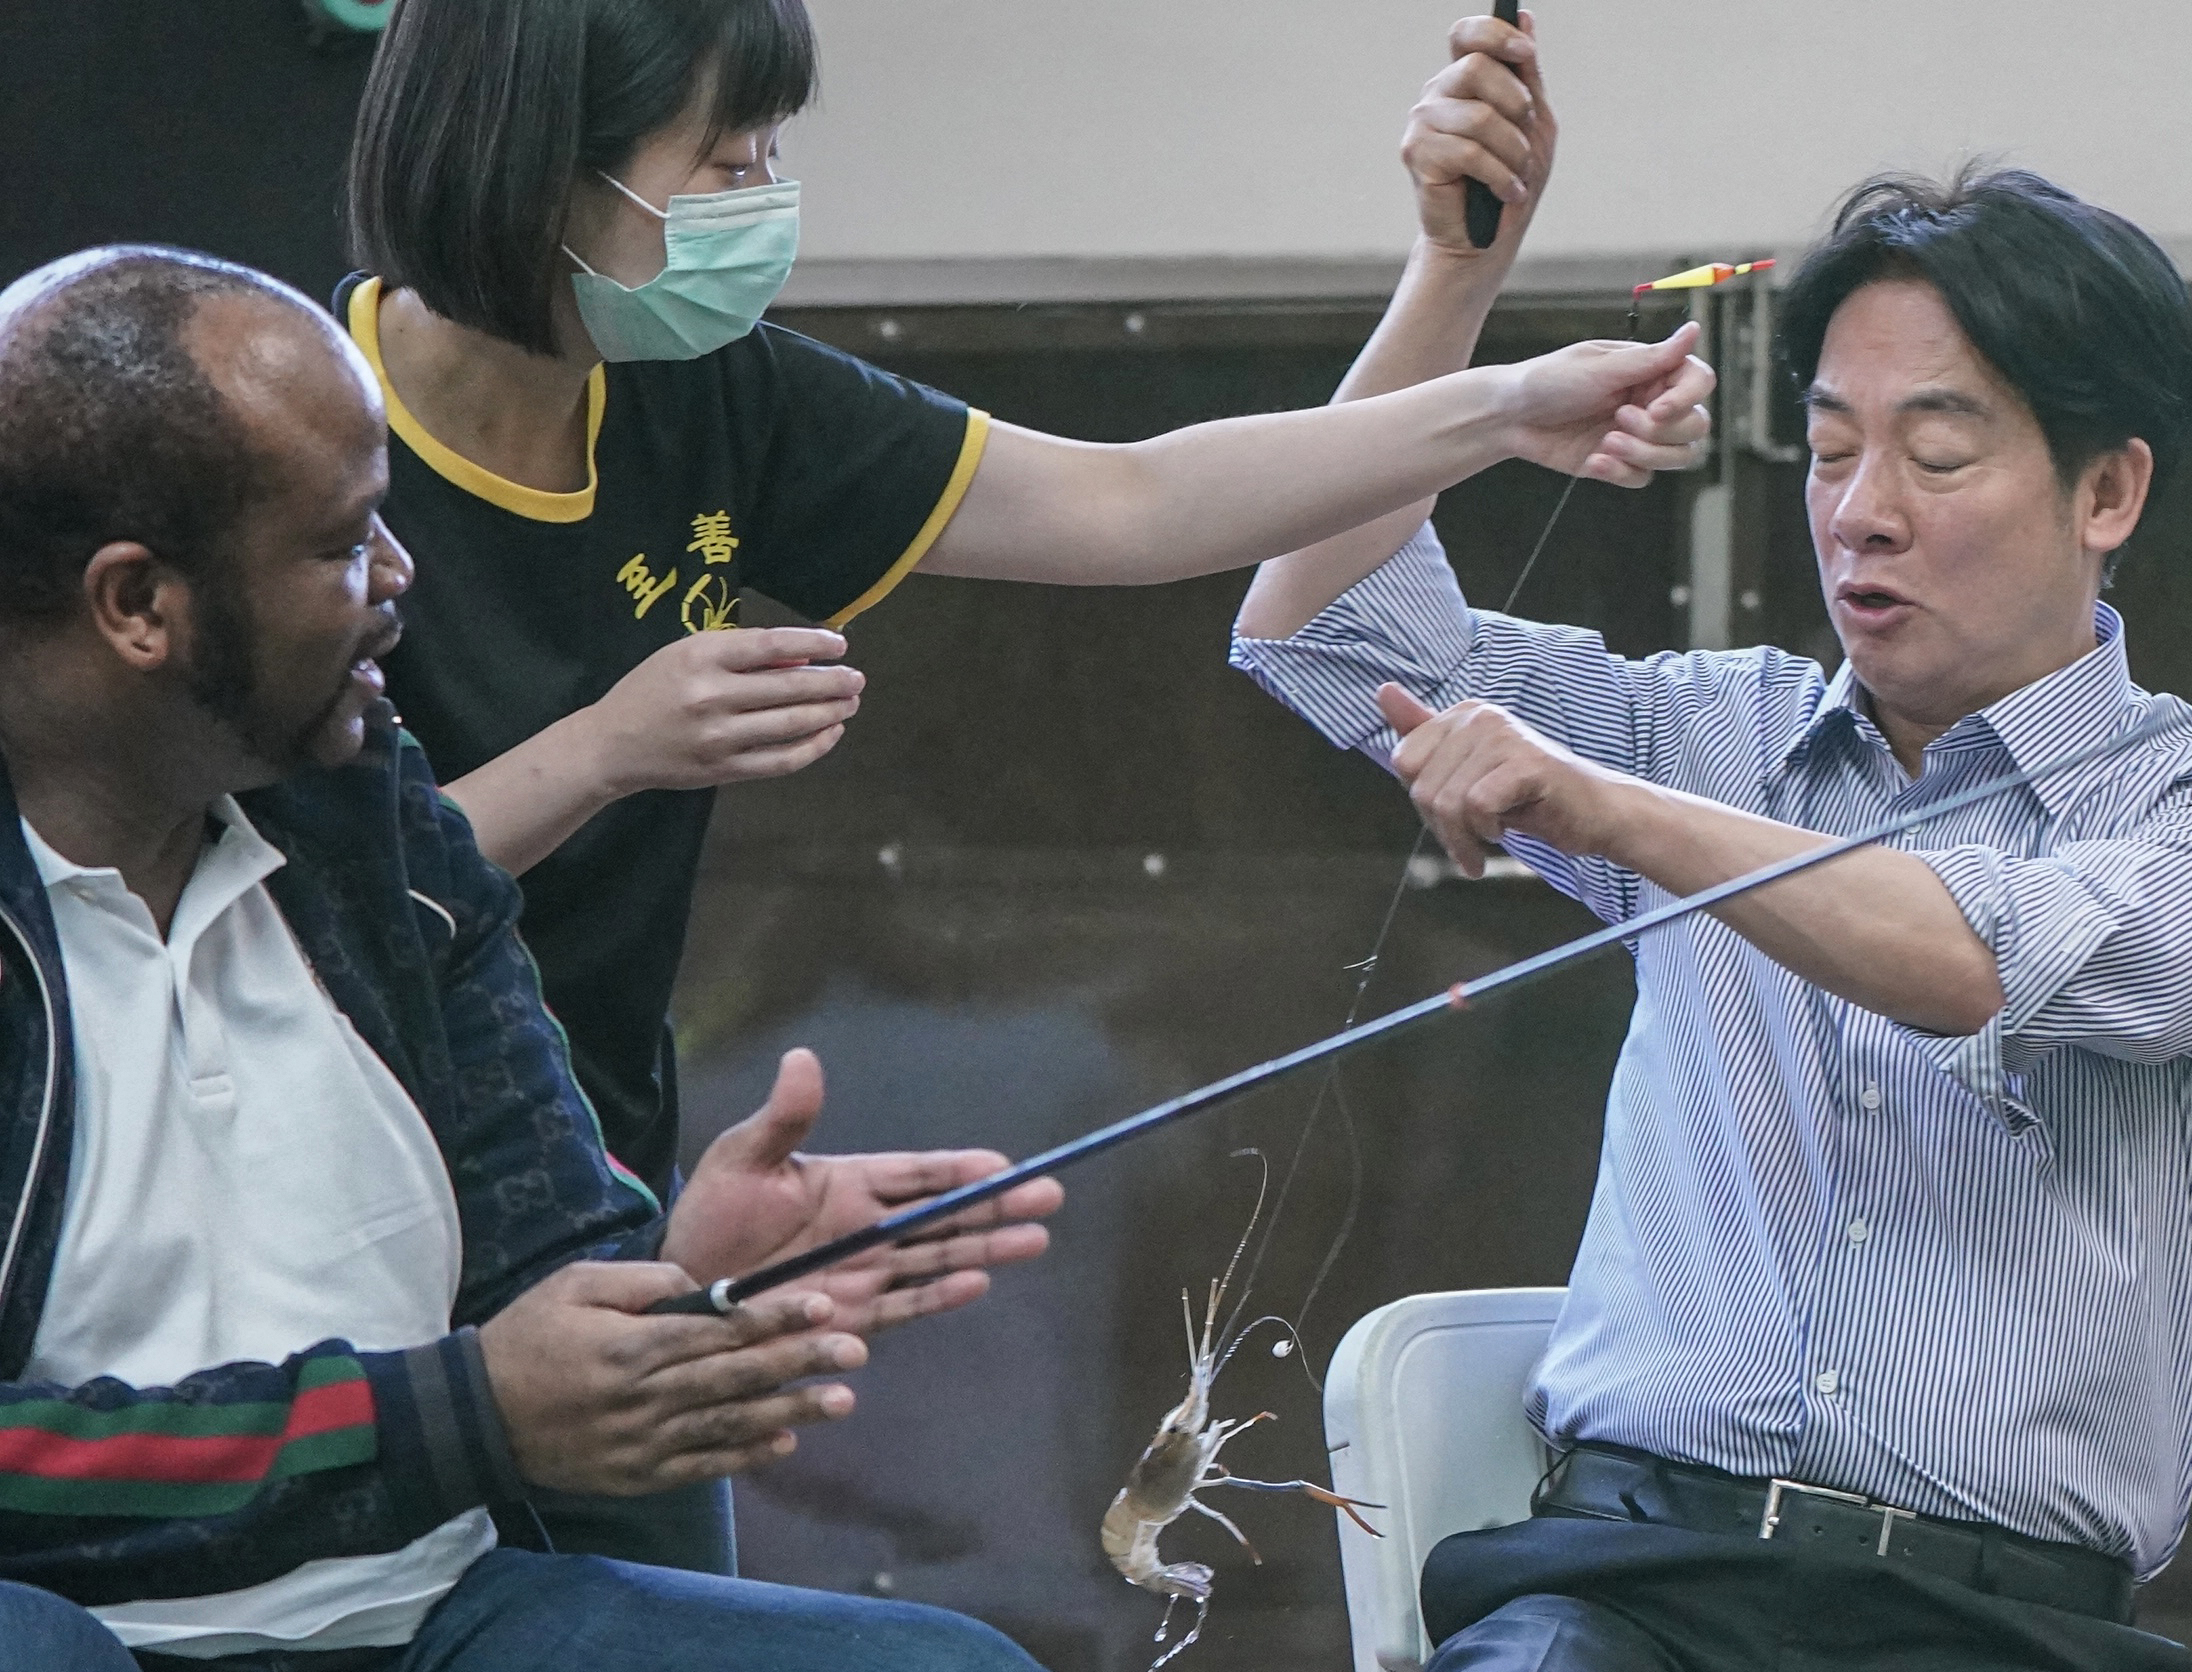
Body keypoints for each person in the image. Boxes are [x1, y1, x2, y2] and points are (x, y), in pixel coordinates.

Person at [339, 0, 1696, 1570]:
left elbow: (1131, 504)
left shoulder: (713, 395)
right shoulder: (303, 435)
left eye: (768, 153)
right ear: (534, 165)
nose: (763, 202)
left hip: (606, 1223)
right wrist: (604, 750)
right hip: (346, 1230)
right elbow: (297, 909)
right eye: (721, 165)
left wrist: (1495, 399)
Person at [1230, 16, 2192, 1671]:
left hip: (1997, 1628)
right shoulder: (1712, 730)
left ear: (2104, 494)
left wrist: (1588, 803)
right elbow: (1314, 626)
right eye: (1828, 448)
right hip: (1625, 1588)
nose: (1858, 509)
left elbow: (1967, 958)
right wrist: (1453, 285)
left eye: (1937, 451)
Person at [0, 245, 1064, 1671]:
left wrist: (690, 1282)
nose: (397, 575)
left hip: (425, 1617)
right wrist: (459, 1416)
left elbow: (546, 1263)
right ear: (138, 606)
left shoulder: (372, 833)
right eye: (339, 545)